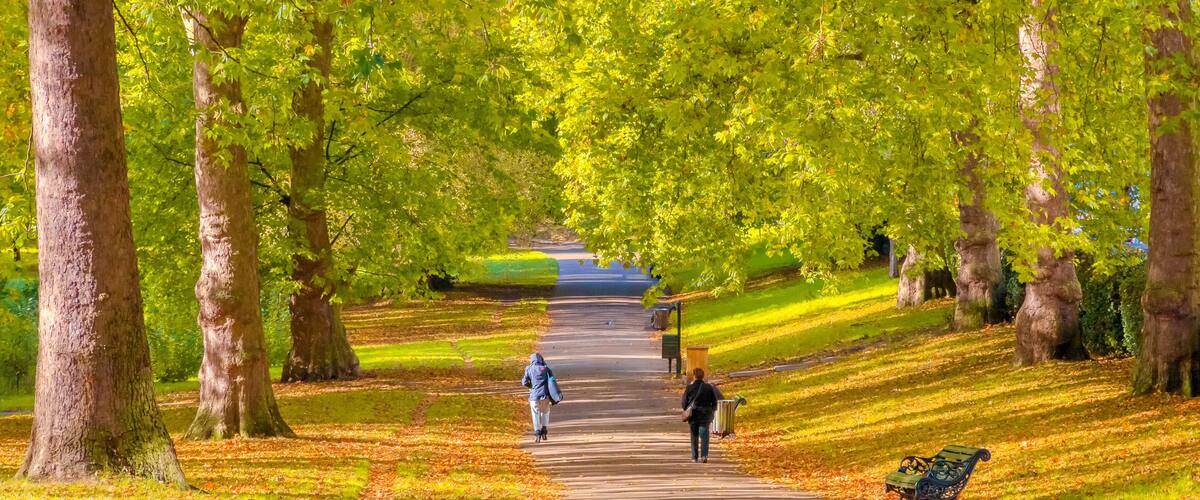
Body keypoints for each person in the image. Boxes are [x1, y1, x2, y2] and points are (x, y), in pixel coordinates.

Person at [681, 367, 723, 463]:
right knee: (704, 435)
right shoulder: (708, 387)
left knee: (694, 435)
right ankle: (704, 456)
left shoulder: (689, 388)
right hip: (705, 414)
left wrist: (687, 409)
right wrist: (712, 410)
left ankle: (694, 457)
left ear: (694, 376)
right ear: (703, 376)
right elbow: (714, 401)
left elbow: (684, 402)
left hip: (693, 414)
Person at [522, 352, 554, 442]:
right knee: (545, 412)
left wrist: (531, 386)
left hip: (534, 396)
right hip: (545, 396)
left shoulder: (528, 369)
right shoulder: (546, 369)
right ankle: (544, 430)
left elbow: (524, 382)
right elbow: (552, 381)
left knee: (535, 414)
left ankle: (537, 433)